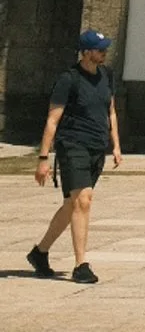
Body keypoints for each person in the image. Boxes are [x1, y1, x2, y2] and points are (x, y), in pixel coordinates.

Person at [27, 29, 121, 284]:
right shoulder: (68, 79)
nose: (104, 53)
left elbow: (110, 111)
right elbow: (52, 119)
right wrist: (43, 158)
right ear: (87, 52)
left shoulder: (106, 75)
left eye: (105, 49)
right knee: (83, 201)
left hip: (96, 147)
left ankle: (40, 252)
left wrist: (116, 145)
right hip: (73, 145)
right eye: (100, 49)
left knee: (72, 205)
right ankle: (81, 264)